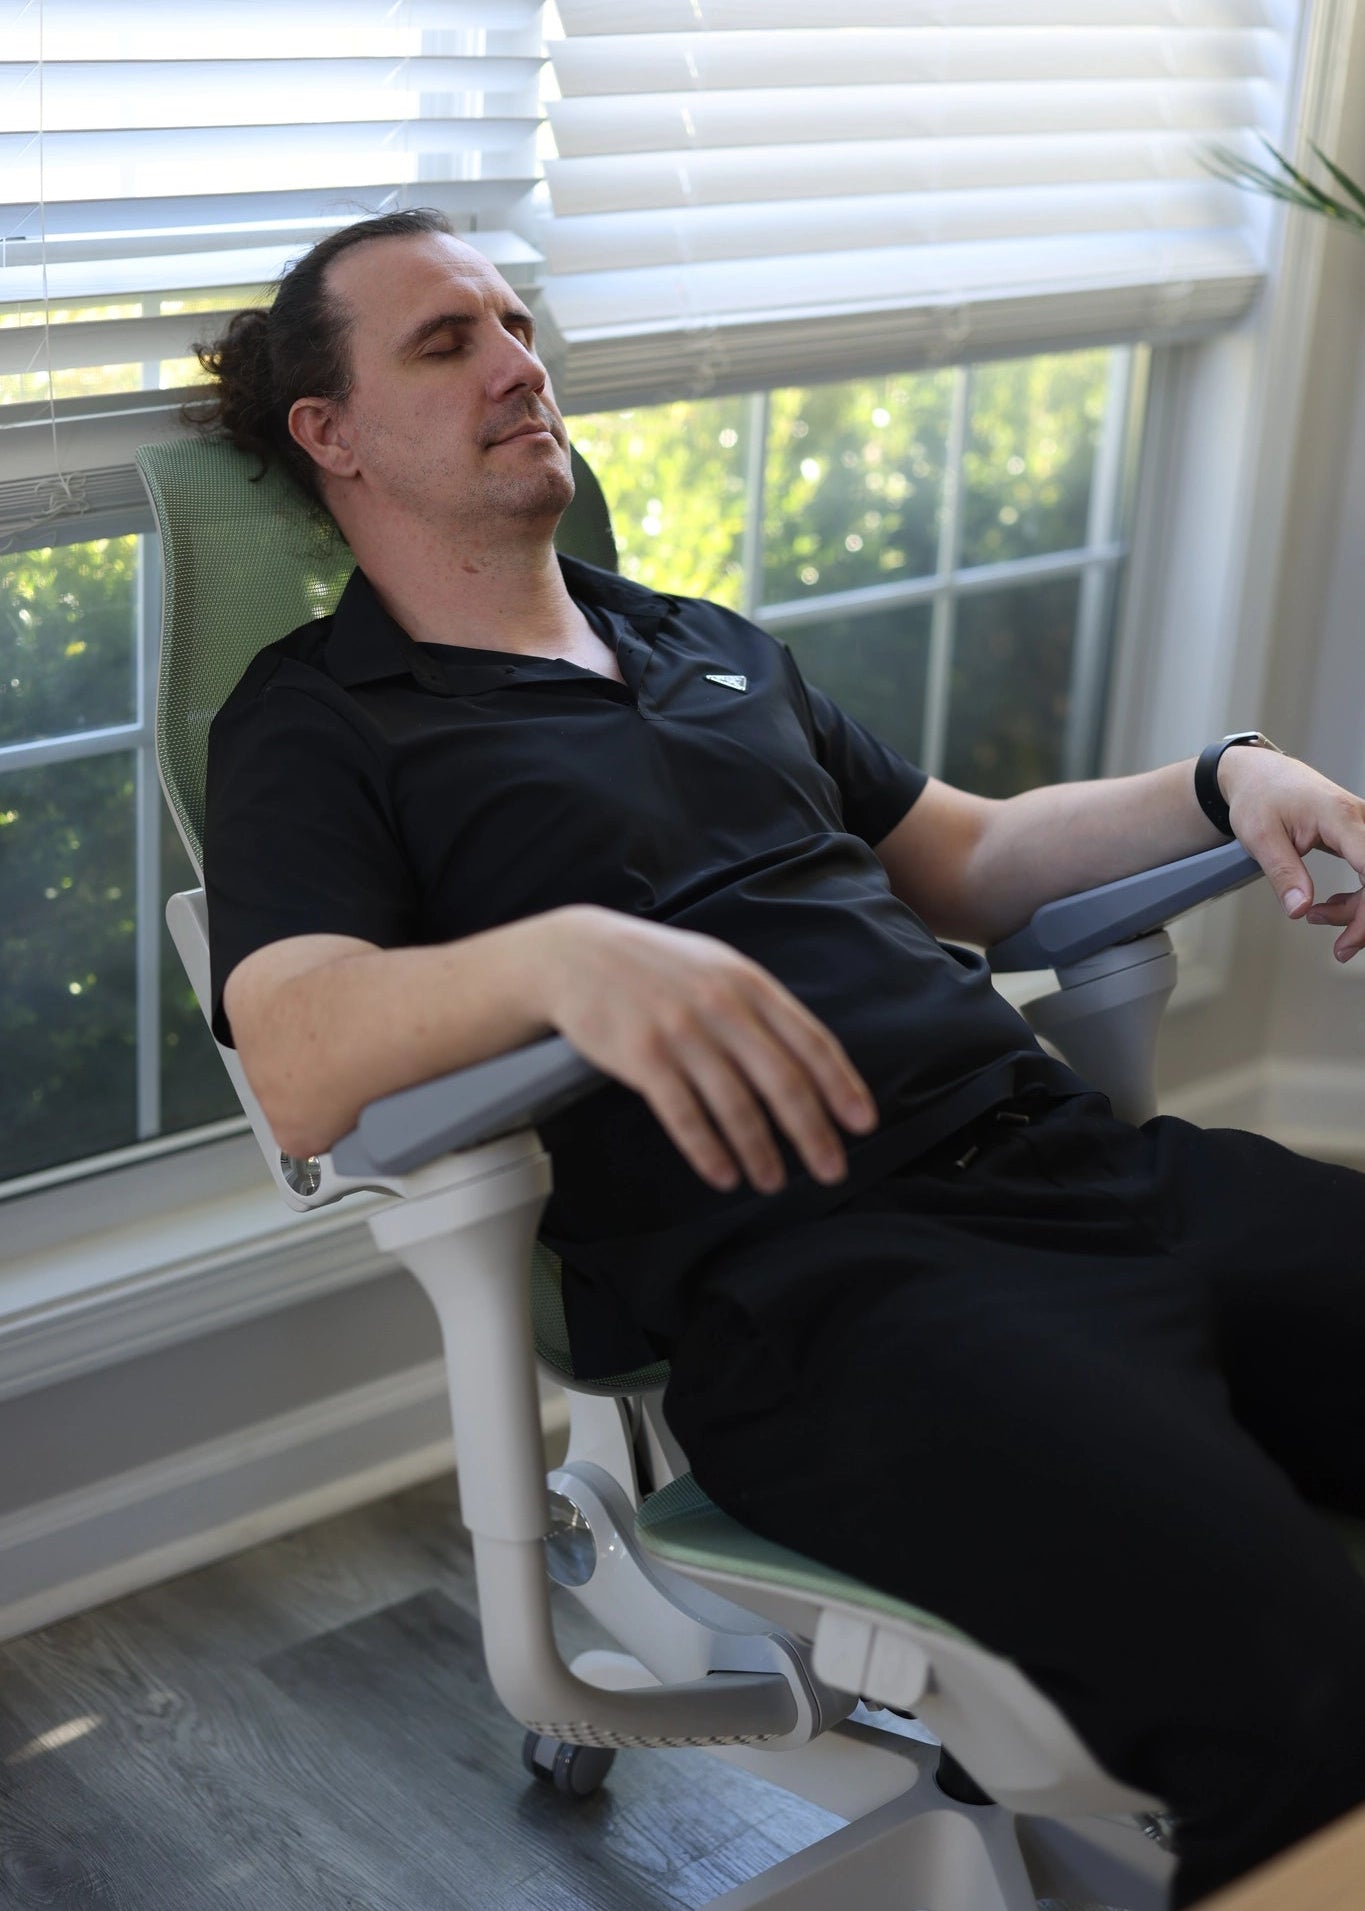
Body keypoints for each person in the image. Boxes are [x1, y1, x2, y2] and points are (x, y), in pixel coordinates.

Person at [197, 209, 1365, 1908]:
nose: (518, 365)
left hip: (1094, 1177)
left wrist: (1225, 775)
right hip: (843, 1295)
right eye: (446, 343)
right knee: (1305, 1699)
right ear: (330, 433)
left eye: (515, 325)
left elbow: (969, 857)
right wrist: (559, 955)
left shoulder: (701, 640)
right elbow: (299, 1054)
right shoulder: (318, 722)